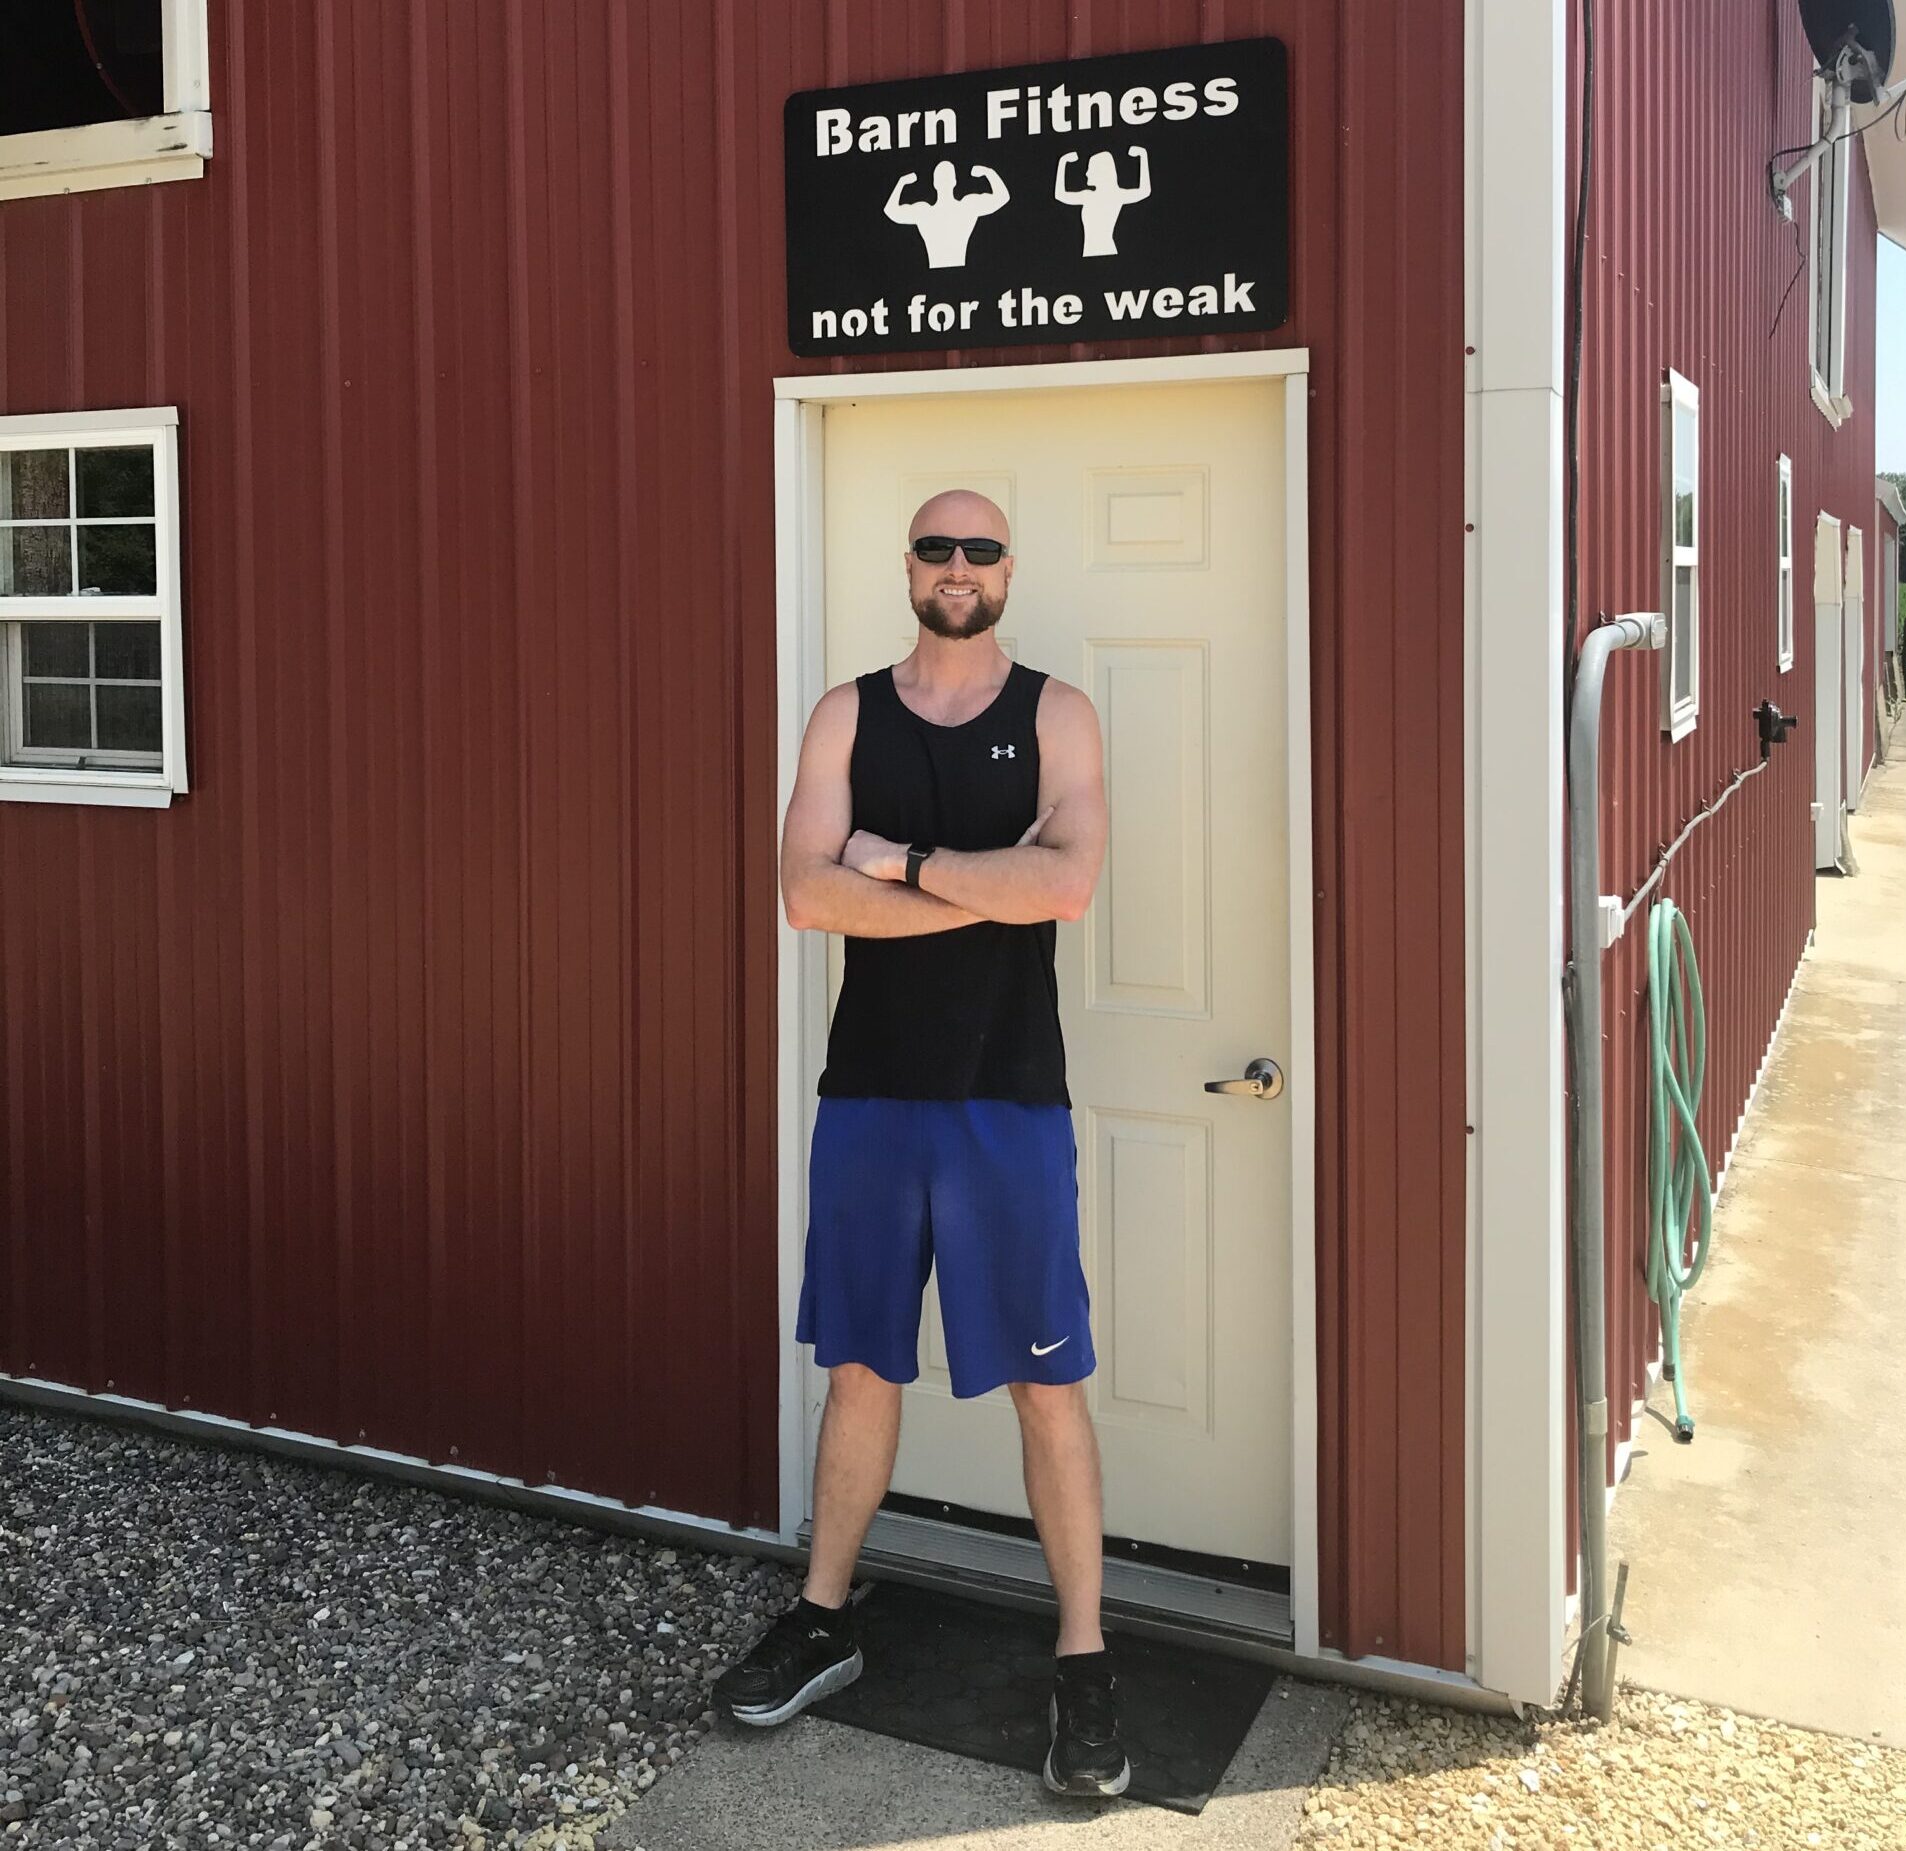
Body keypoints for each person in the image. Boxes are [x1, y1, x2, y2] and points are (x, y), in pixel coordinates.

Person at [714, 490, 1127, 1798]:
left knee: (1046, 1384)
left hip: (1008, 1097)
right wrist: (977, 881)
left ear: (1012, 566)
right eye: (937, 548)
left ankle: (1084, 1654)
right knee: (857, 1366)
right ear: (909, 566)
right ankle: (825, 1614)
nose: (959, 568)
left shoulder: (1056, 713)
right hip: (874, 1098)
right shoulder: (847, 713)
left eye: (982, 549)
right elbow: (800, 890)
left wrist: (896, 868)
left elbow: (1063, 885)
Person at [884, 161, 1010, 268]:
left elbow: (891, 211)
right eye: (943, 177)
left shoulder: (927, 212)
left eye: (946, 176)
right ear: (954, 181)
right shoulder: (964, 208)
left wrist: (902, 182)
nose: (944, 180)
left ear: (934, 183)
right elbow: (1002, 197)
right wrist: (988, 172)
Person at [1054, 146, 1151, 257]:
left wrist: (1143, 155)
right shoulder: (1088, 196)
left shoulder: (1115, 195)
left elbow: (1144, 191)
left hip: (1106, 250)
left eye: (1090, 168)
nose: (1086, 173)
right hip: (1089, 252)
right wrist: (1062, 161)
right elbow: (1060, 195)